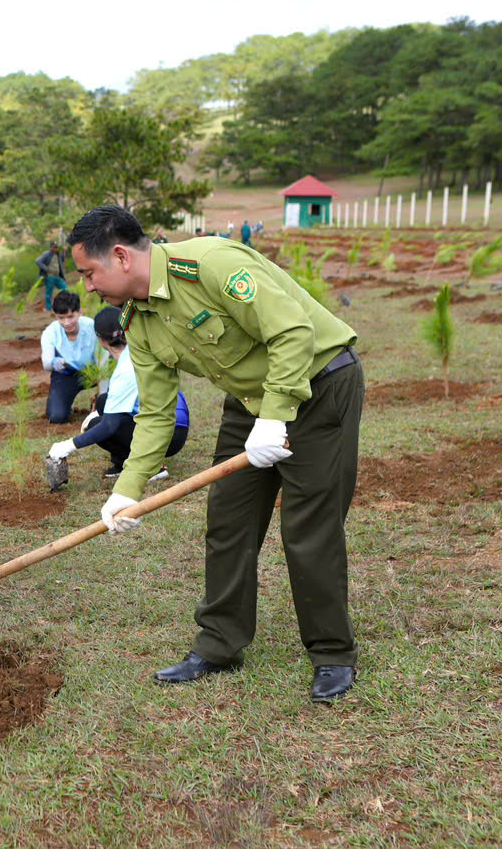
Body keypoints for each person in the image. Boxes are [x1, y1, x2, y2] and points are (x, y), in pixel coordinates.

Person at [67, 205, 363, 703]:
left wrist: (276, 417)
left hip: (319, 384)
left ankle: (332, 653)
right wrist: (126, 489)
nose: (88, 287)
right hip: (251, 401)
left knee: (307, 528)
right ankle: (220, 644)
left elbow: (293, 331)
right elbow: (156, 414)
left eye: (88, 273)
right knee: (228, 520)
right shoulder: (137, 322)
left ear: (119, 257)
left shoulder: (210, 264)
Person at [49, 306, 189, 479]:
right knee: (103, 401)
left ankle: (152, 467)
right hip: (174, 424)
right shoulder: (139, 348)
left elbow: (110, 426)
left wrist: (68, 445)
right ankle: (123, 462)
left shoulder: (124, 370)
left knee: (97, 425)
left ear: (100, 339)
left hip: (169, 434)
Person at [40, 290, 97, 424]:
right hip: (67, 374)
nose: (66, 322)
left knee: (110, 408)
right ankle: (66, 403)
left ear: (80, 312)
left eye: (71, 316)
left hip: (94, 372)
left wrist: (104, 395)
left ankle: (97, 401)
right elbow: (46, 363)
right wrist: (54, 362)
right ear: (55, 316)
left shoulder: (92, 327)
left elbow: (104, 362)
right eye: (61, 317)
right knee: (56, 416)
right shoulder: (50, 333)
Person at [36, 241, 69, 311]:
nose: (56, 248)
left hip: (57, 276)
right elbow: (38, 261)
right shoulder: (47, 254)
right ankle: (48, 308)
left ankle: (64, 304)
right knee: (49, 293)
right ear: (51, 247)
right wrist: (46, 269)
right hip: (49, 276)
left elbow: (62, 259)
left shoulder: (57, 254)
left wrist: (64, 251)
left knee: (65, 288)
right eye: (54, 247)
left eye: (56, 247)